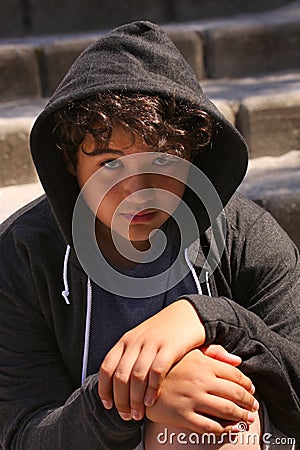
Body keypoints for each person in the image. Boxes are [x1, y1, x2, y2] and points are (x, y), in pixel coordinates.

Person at [0, 20, 299, 450]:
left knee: (212, 422)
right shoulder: (22, 257)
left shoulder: (243, 234)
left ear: (193, 157)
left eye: (162, 162)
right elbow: (23, 434)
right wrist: (135, 394)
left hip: (254, 439)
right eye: (110, 164)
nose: (137, 193)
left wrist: (208, 317)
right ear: (69, 162)